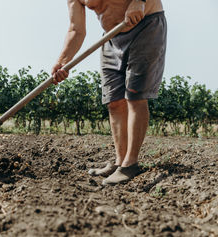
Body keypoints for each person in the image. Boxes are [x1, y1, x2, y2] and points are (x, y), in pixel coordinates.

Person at [52, 0, 167, 185]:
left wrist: (139, 1)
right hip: (111, 37)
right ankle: (119, 161)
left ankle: (130, 164)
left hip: (145, 25)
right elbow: (76, 30)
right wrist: (63, 60)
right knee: (114, 101)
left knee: (135, 96)